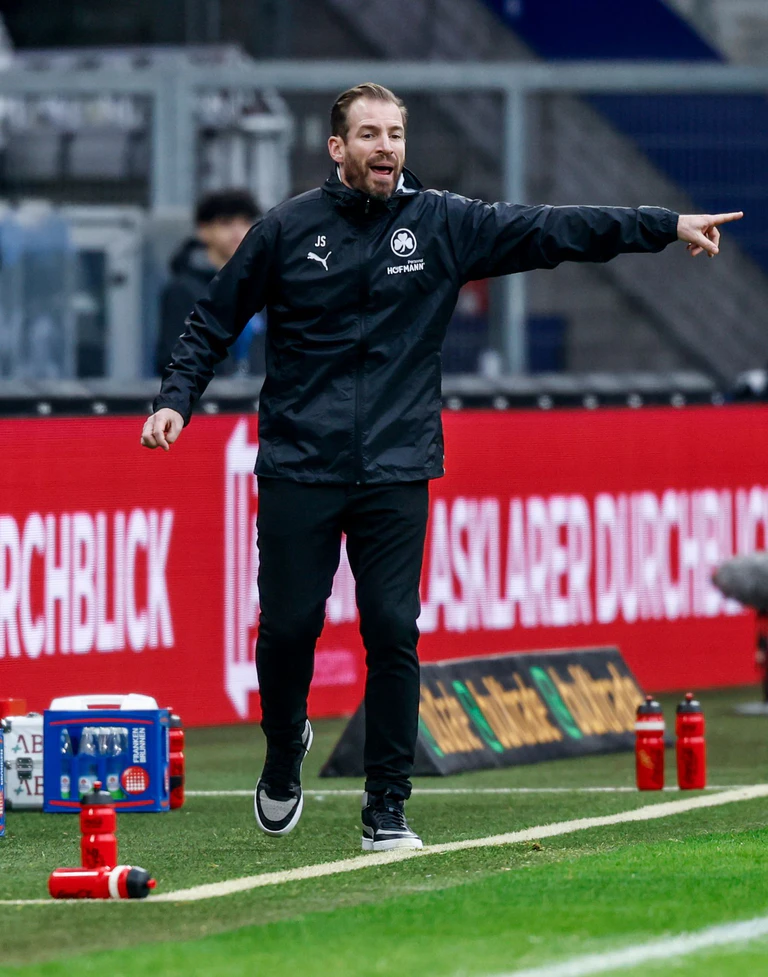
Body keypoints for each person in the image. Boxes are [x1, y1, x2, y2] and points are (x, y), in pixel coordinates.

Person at [141, 82, 743, 852]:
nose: (386, 146)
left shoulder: (444, 223)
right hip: (299, 461)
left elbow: (553, 230)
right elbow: (212, 319)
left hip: (397, 464)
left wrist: (665, 226)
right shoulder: (287, 229)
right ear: (337, 148)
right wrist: (175, 400)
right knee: (290, 627)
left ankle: (386, 806)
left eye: (395, 133)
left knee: (394, 627)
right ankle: (284, 748)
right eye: (369, 134)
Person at [154, 189, 262, 376]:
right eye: (226, 223)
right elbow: (173, 359)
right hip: (208, 400)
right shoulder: (183, 290)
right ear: (203, 230)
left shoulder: (262, 285)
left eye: (245, 222)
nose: (238, 232)